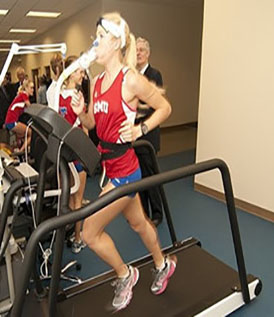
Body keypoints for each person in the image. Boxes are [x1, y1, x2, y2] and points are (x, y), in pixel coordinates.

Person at [70, 12, 177, 311]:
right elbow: (92, 125)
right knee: (139, 223)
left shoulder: (130, 79)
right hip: (110, 166)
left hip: (126, 171)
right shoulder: (100, 81)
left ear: (116, 41)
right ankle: (162, 263)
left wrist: (140, 129)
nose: (96, 42)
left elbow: (164, 107)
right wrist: (81, 112)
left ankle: (125, 274)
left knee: (90, 231)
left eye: (101, 37)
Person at [58, 56, 88, 253]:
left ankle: (67, 232)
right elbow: (84, 129)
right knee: (78, 200)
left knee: (67, 198)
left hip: (61, 154)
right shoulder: (77, 98)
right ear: (70, 73)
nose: (83, 75)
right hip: (76, 153)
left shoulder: (56, 94)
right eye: (80, 72)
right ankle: (77, 239)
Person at [135, 37, 164, 226]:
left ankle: (157, 212)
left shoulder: (155, 75)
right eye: (136, 50)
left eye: (141, 51)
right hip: (135, 135)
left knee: (151, 176)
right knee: (139, 177)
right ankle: (143, 212)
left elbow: (153, 105)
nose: (138, 53)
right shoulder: (132, 75)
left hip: (148, 135)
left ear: (148, 54)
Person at [4, 79, 34, 152]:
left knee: (23, 135)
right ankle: (21, 151)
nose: (33, 90)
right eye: (31, 88)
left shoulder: (20, 96)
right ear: (26, 88)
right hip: (12, 121)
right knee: (30, 133)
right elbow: (30, 108)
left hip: (10, 121)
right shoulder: (24, 95)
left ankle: (22, 149)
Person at [0, 73, 13, 145]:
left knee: (7, 140)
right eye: (5, 78)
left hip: (6, 119)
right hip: (1, 122)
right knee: (2, 141)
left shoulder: (4, 89)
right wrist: (2, 122)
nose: (6, 79)